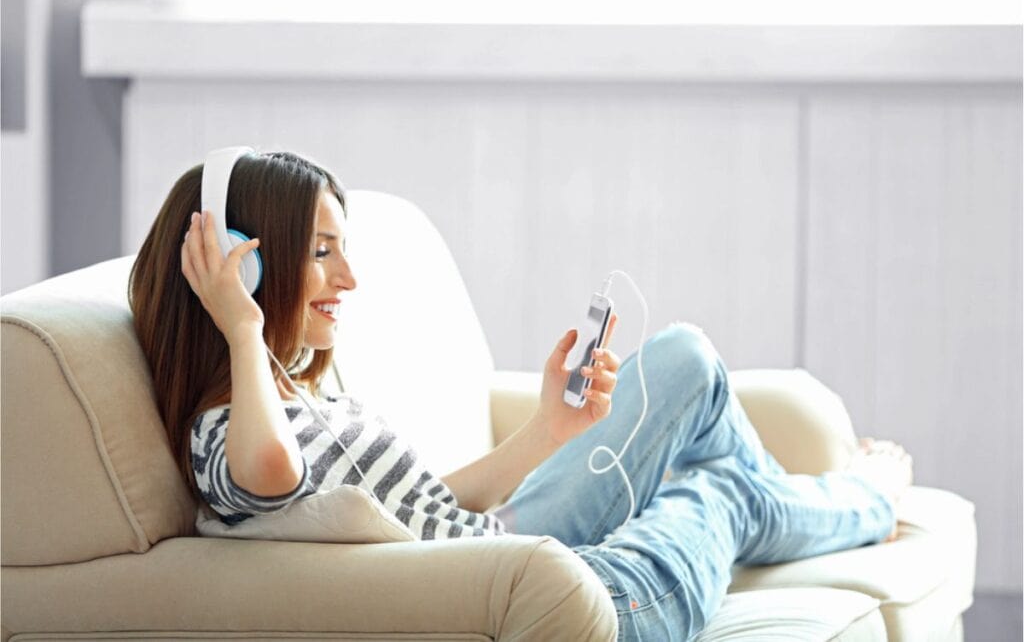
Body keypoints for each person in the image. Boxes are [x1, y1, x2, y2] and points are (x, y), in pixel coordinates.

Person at [129, 150, 912, 640]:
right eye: (322, 252)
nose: (349, 278)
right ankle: (866, 500)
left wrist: (548, 429)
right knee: (719, 486)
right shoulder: (228, 432)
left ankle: (826, 503)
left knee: (684, 359)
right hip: (590, 597)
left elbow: (430, 504)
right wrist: (240, 326)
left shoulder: (301, 401)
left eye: (346, 249)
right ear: (246, 268)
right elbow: (270, 468)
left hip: (516, 548)